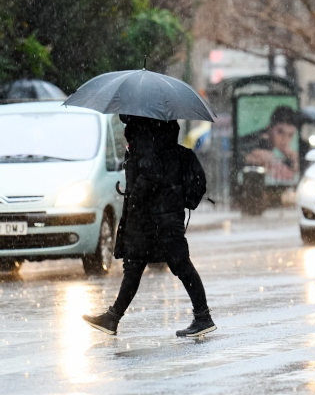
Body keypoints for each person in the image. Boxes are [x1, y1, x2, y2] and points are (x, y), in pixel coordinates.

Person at [82, 115, 216, 338]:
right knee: (140, 267)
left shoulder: (145, 138)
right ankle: (113, 318)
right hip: (161, 218)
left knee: (173, 266)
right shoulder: (169, 147)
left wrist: (136, 195)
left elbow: (150, 174)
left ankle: (203, 317)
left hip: (151, 219)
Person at [236, 105, 301, 183]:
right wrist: (248, 158)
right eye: (280, 132)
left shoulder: (273, 148)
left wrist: (294, 161)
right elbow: (233, 155)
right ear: (269, 127)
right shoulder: (255, 142)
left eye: (290, 135)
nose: (285, 139)